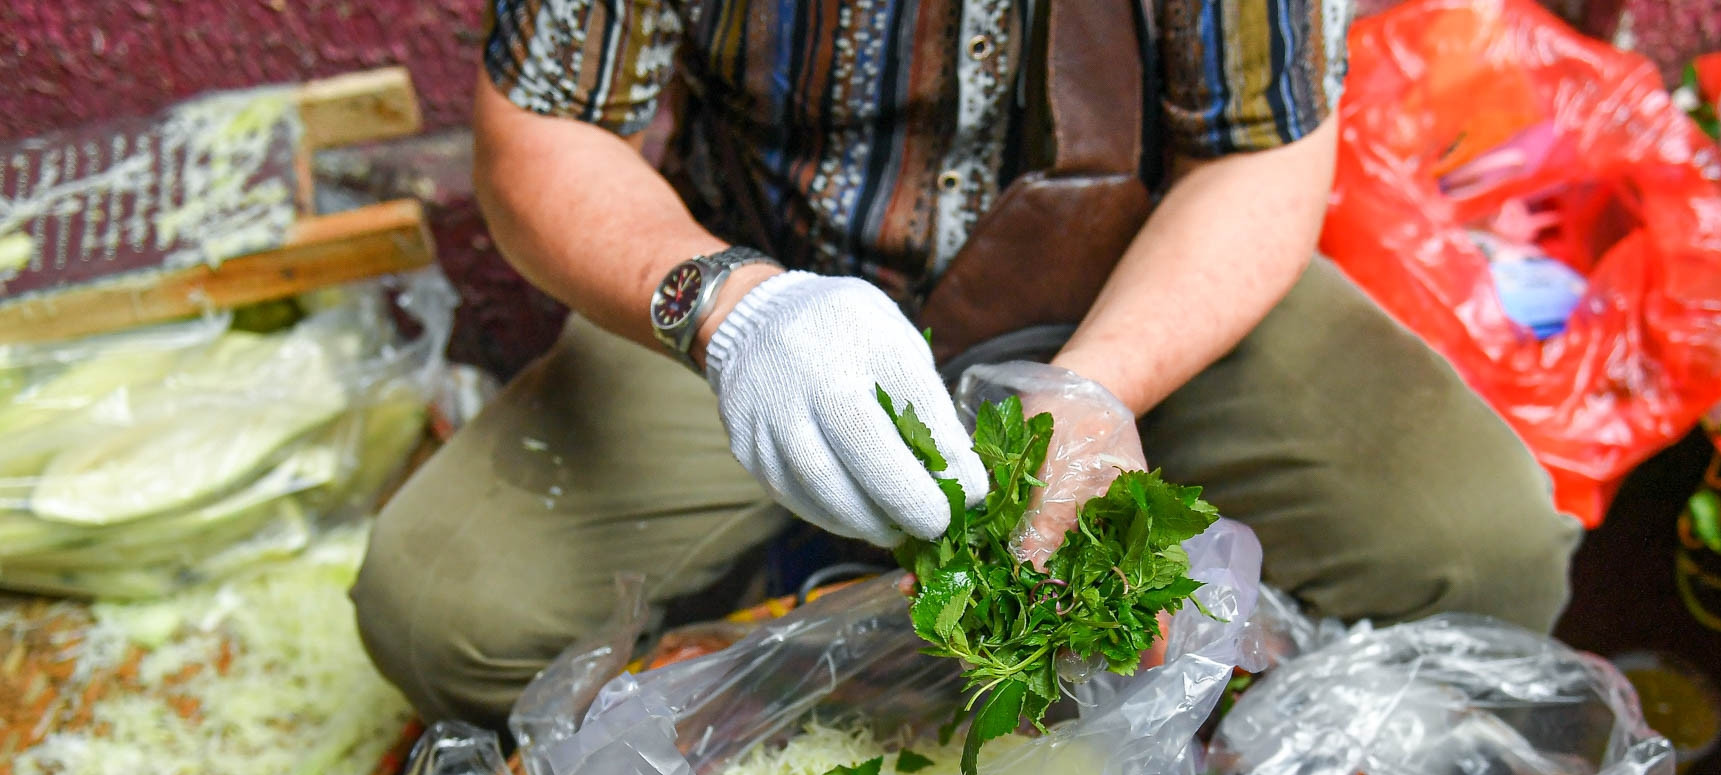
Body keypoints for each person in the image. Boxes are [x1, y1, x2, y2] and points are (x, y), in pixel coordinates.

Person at [353, 0, 1579, 726]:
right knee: (443, 609)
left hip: (1131, 282)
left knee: (1479, 548)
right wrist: (728, 312)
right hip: (777, 291)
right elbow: (537, 139)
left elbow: (1261, 158)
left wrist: (1099, 391)